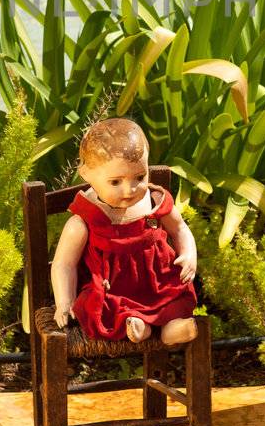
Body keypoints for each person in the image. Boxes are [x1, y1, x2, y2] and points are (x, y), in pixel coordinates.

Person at [51, 116, 199, 346]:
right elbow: (64, 264)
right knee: (98, 307)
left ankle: (172, 328)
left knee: (176, 296)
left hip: (157, 284)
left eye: (139, 177)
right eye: (115, 182)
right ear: (86, 175)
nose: (129, 190)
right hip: (112, 289)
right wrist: (63, 301)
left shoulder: (154, 203)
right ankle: (140, 327)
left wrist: (189, 254)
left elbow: (180, 229)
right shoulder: (84, 221)